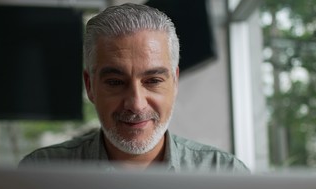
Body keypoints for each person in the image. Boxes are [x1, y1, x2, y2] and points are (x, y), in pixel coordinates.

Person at [20, 3, 248, 173]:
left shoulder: (224, 173)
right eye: (116, 82)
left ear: (174, 82)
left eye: (153, 81)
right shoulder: (42, 171)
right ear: (90, 86)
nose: (136, 103)